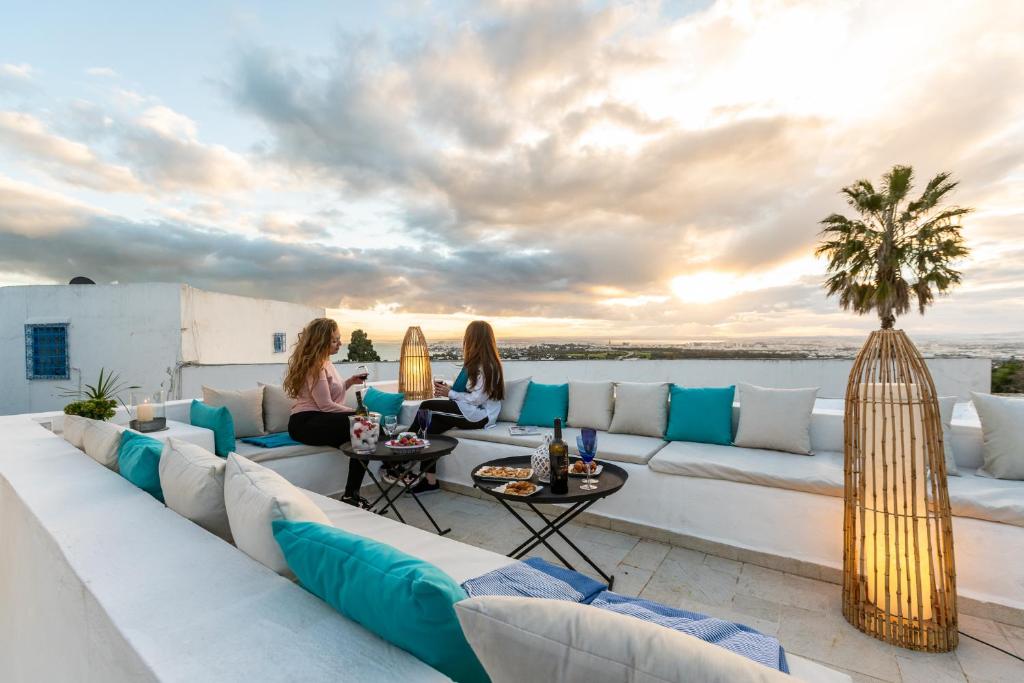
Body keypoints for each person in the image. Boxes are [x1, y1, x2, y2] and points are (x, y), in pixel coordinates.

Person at [403, 320, 504, 495]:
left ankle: (401, 453)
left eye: (467, 337)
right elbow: (467, 391)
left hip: (479, 416)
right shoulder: (475, 364)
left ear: (475, 340)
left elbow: (476, 399)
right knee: (430, 429)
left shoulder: (488, 366)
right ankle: (430, 481)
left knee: (426, 406)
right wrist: (449, 391)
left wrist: (450, 393)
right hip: (468, 410)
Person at [284, 318, 374, 507]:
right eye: (334, 340)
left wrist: (349, 381)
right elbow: (325, 405)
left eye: (339, 339)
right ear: (321, 342)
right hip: (305, 422)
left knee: (363, 434)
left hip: (321, 419)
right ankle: (358, 491)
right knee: (364, 427)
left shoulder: (326, 362)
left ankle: (351, 495)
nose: (340, 344)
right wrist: (357, 413)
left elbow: (332, 396)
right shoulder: (315, 365)